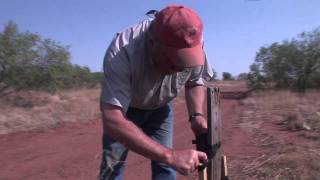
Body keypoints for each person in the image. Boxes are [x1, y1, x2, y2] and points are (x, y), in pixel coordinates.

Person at [99, 4, 213, 180]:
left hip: (161, 108)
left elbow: (195, 80)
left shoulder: (193, 40)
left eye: (184, 61)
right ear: (153, 43)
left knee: (166, 168)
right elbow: (113, 119)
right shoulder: (123, 51)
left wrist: (196, 115)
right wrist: (171, 155)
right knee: (112, 167)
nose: (179, 68)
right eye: (174, 60)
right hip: (125, 111)